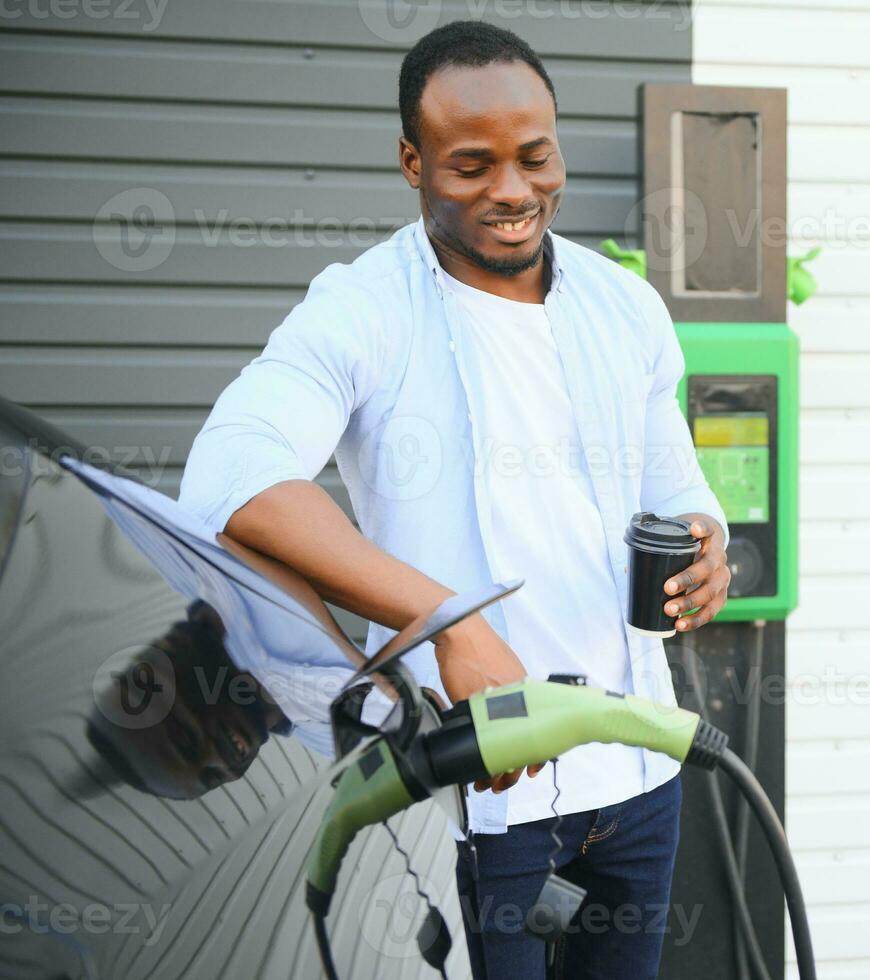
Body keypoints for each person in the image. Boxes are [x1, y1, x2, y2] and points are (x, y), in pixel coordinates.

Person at [177, 19, 730, 979]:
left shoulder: (624, 305)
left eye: (534, 157)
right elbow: (232, 482)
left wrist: (705, 541)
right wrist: (445, 621)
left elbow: (675, 485)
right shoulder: (362, 308)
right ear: (412, 162)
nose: (513, 191)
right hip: (480, 795)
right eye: (470, 164)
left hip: (637, 772)